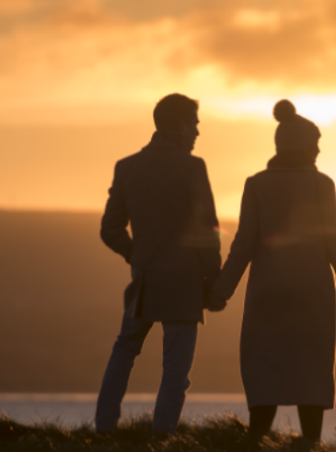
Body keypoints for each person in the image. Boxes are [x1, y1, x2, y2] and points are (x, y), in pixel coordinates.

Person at [207, 99, 336, 442]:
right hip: (313, 294)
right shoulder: (322, 184)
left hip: (267, 291)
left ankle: (256, 438)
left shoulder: (256, 184)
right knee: (312, 366)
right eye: (315, 143)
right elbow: (335, 243)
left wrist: (221, 291)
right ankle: (310, 442)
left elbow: (243, 245)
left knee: (264, 363)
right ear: (303, 144)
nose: (318, 150)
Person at [95, 93, 221, 436]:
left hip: (145, 279)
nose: (197, 132)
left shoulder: (127, 167)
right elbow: (207, 229)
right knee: (176, 369)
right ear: (180, 125)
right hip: (185, 283)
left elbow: (110, 229)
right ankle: (162, 435)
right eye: (194, 124)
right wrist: (216, 279)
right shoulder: (193, 167)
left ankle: (104, 428)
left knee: (124, 351)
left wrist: (136, 255)